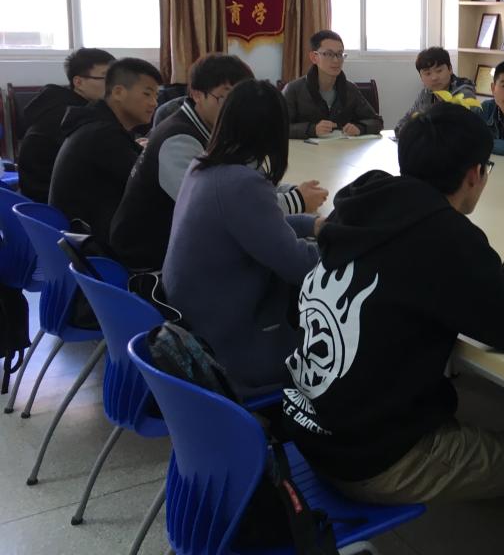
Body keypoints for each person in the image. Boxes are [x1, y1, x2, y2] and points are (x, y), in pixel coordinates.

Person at [283, 102, 504, 504]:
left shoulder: (358, 205)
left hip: (307, 425)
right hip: (370, 461)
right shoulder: (445, 236)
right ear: (475, 174)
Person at [162, 80, 321, 398]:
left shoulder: (204, 165)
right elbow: (298, 265)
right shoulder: (242, 183)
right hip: (230, 346)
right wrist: (348, 244)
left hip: (196, 324)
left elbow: (258, 229)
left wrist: (313, 225)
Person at [111, 54, 328, 272]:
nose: (236, 107)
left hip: (194, 249)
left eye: (241, 98)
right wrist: (296, 200)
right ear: (197, 95)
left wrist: (291, 191)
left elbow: (251, 184)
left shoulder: (218, 131)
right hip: (151, 259)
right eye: (225, 98)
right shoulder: (177, 140)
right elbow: (229, 207)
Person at [48, 58, 161, 247]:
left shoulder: (98, 125)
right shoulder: (102, 135)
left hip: (81, 238)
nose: (154, 103)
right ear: (118, 92)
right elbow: (148, 186)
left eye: (156, 96)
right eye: (147, 94)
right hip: (93, 247)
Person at [16, 48, 115, 202]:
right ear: (78, 82)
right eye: (106, 78)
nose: (114, 86)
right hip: (52, 202)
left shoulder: (56, 103)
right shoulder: (71, 116)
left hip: (37, 197)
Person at [282, 30, 383, 139]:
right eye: (329, 54)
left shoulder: (350, 89)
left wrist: (360, 128)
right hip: (306, 149)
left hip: (341, 148)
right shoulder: (293, 90)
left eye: (339, 54)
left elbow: (376, 121)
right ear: (314, 57)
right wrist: (312, 129)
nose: (336, 60)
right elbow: (278, 126)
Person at [395, 47, 478, 135]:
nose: (434, 78)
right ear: (421, 77)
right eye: (428, 73)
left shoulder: (464, 94)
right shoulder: (425, 94)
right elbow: (402, 124)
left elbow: (456, 133)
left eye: (439, 71)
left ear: (450, 69)